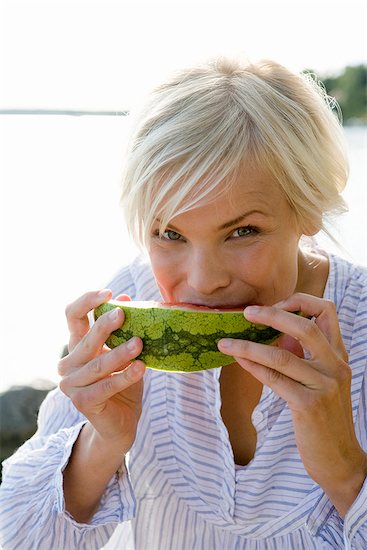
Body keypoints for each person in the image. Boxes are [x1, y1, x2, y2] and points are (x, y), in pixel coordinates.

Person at [1, 57, 366, 550]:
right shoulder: (130, 300)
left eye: (243, 231)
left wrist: (347, 473)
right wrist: (103, 441)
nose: (203, 280)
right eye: (169, 233)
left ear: (309, 208)